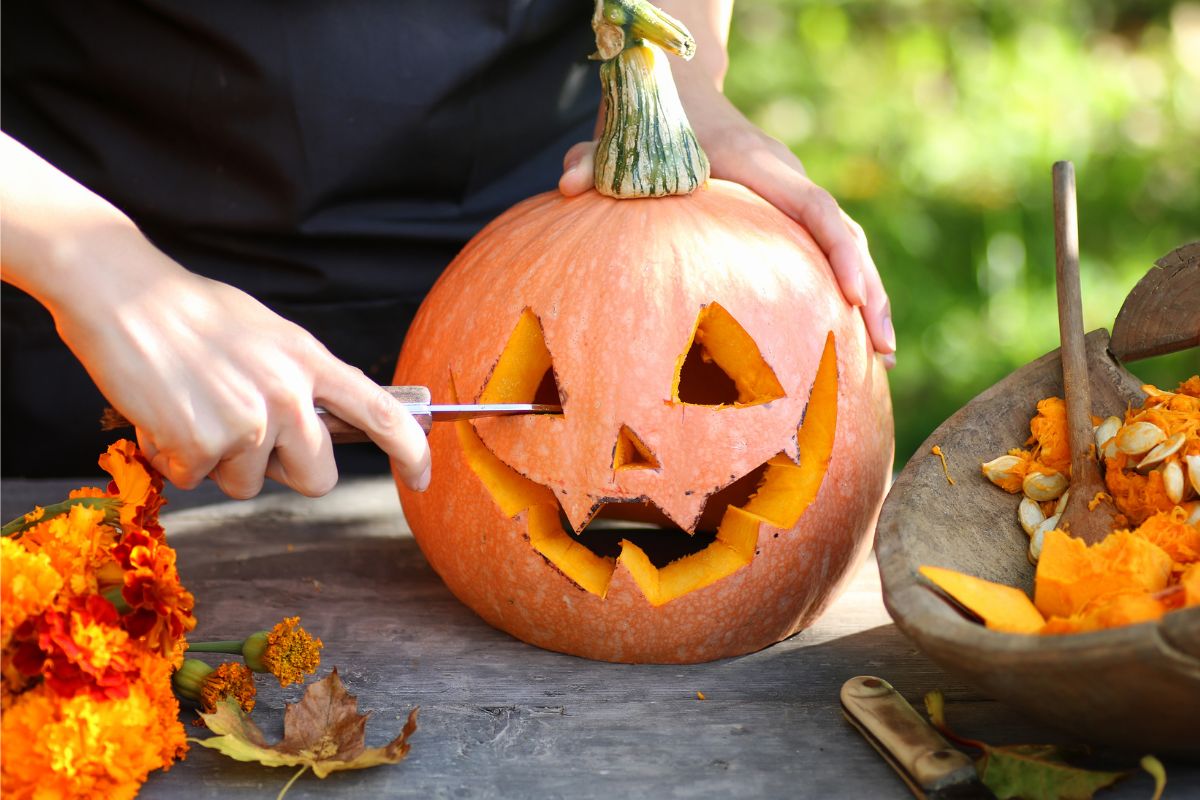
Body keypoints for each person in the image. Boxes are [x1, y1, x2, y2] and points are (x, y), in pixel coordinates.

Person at [1, 1, 894, 500]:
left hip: (533, 261)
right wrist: (88, 263)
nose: (637, 456)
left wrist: (678, 81)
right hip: (83, 325)